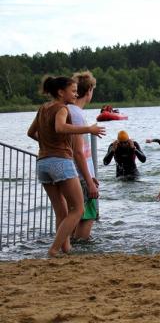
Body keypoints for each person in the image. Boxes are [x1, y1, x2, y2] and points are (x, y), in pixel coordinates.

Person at [26, 76, 105, 257]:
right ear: (61, 92)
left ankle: (66, 249)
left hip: (43, 163)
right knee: (78, 209)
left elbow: (30, 132)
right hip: (61, 162)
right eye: (73, 91)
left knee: (61, 212)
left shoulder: (43, 108)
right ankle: (54, 249)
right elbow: (60, 128)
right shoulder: (62, 108)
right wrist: (89, 129)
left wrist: (47, 144)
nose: (76, 94)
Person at [68, 71, 100, 240]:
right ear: (88, 91)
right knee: (88, 215)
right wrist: (89, 181)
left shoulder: (67, 111)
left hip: (72, 173)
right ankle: (81, 251)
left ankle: (71, 248)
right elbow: (79, 152)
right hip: (80, 174)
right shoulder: (77, 115)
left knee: (75, 215)